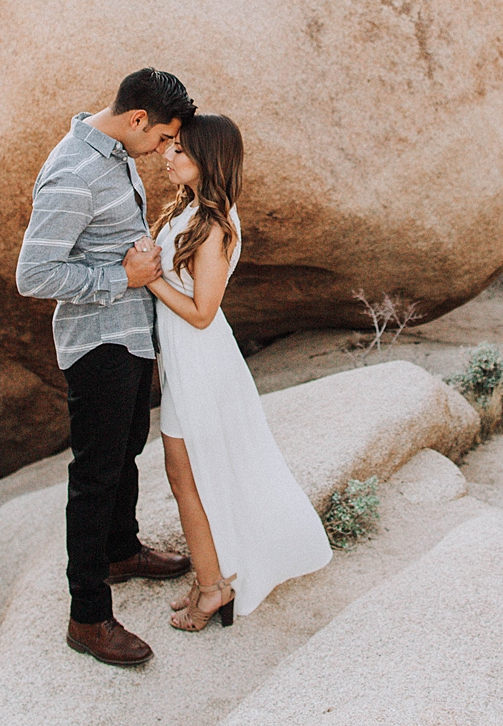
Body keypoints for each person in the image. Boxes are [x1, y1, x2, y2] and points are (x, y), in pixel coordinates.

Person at [16, 68, 197, 668]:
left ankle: (120, 551)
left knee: (127, 446)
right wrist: (124, 277)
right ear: (138, 119)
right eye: (165, 137)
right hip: (98, 343)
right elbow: (35, 275)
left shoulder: (114, 151)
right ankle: (88, 616)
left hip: (130, 334)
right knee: (95, 474)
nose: (166, 150)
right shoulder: (72, 171)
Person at [145, 113, 331, 631]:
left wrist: (150, 279)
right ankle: (213, 577)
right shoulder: (189, 212)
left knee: (192, 477)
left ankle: (213, 590)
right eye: (170, 148)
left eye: (179, 150)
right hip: (185, 360)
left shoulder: (217, 225)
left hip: (203, 362)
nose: (167, 155)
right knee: (187, 477)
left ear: (209, 159)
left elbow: (203, 311)